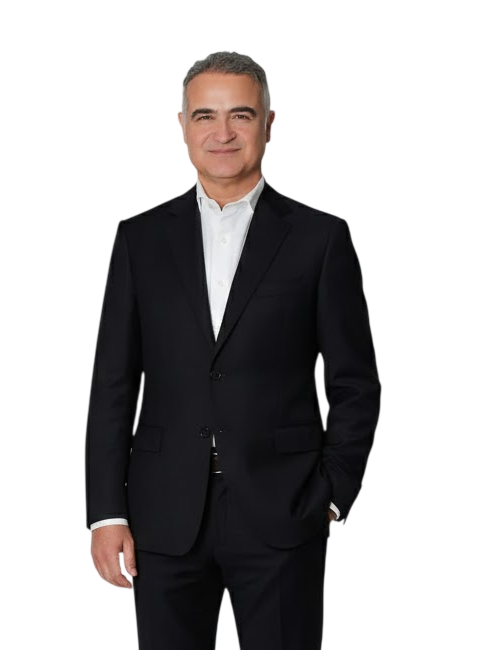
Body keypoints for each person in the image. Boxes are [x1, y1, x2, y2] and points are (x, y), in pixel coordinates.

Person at [86, 50, 379, 649]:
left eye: (241, 115)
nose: (222, 132)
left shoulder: (320, 238)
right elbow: (114, 383)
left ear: (268, 124)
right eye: (205, 116)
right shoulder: (140, 239)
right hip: (163, 512)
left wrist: (331, 496)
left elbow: (353, 381)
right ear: (182, 126)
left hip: (284, 506)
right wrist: (106, 513)